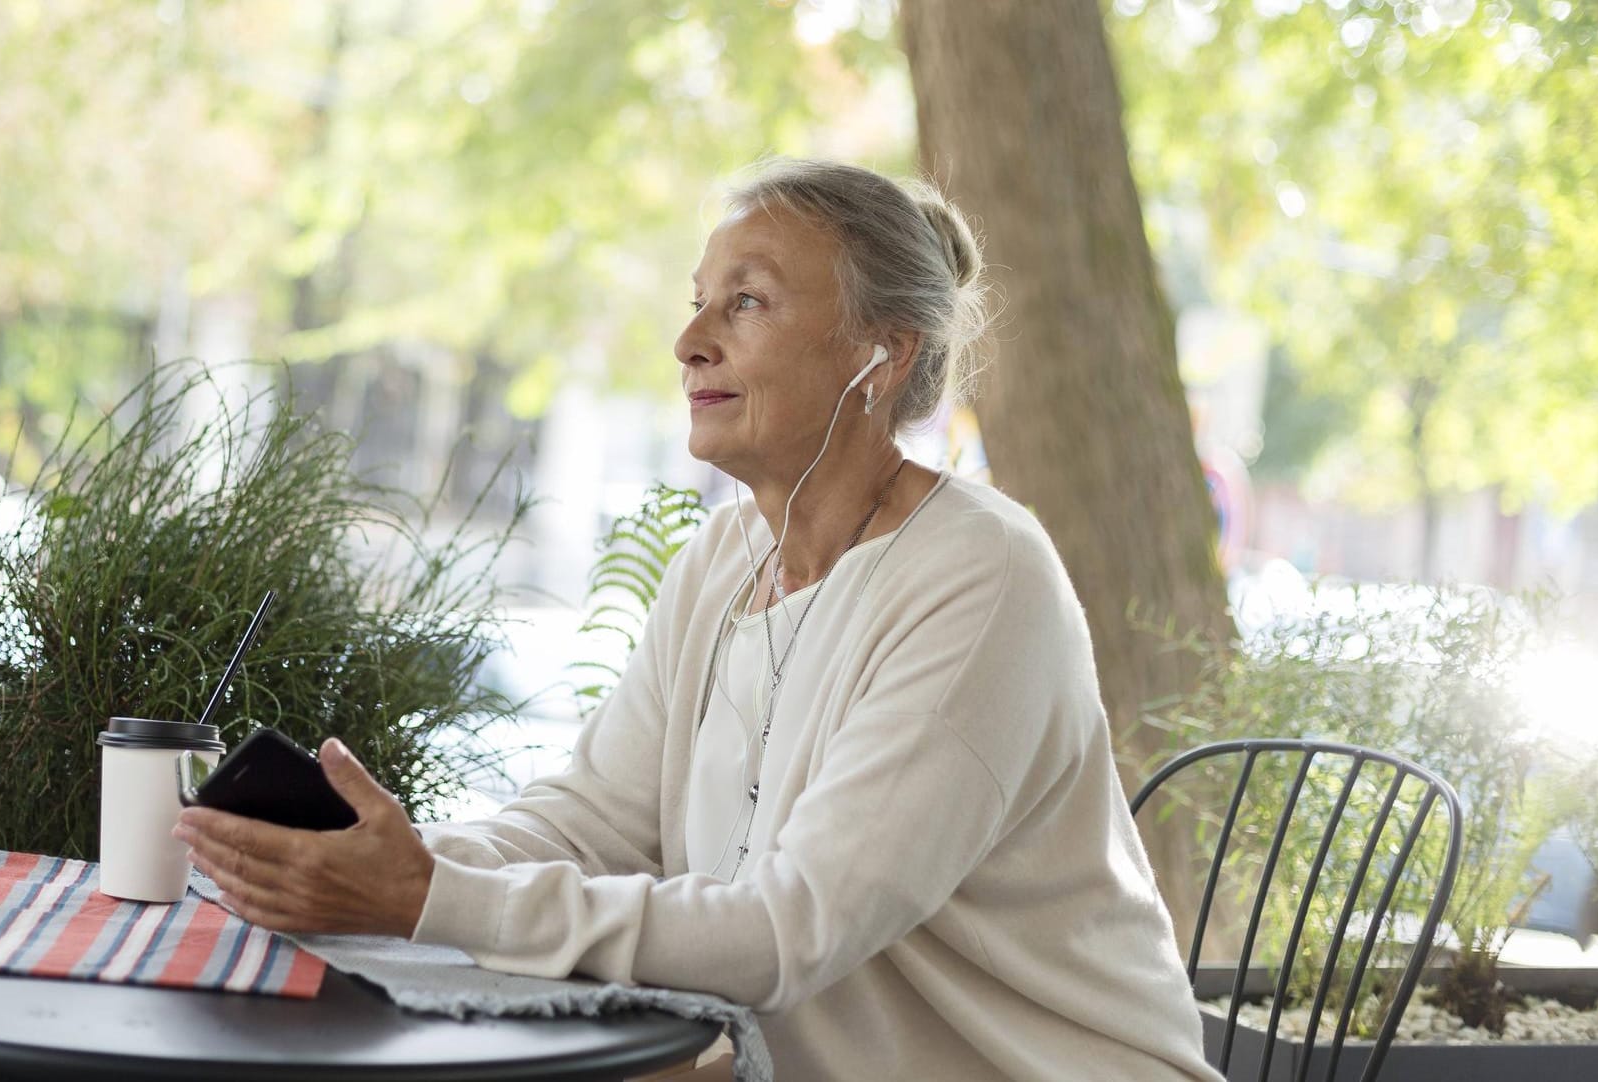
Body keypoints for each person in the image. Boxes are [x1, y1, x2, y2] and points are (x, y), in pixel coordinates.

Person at [175, 158, 1222, 1081]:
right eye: (697, 303)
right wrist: (376, 856)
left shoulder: (980, 576)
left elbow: (785, 928)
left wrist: (422, 896)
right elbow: (591, 824)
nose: (688, 342)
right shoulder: (726, 558)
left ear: (881, 355)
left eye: (747, 304)